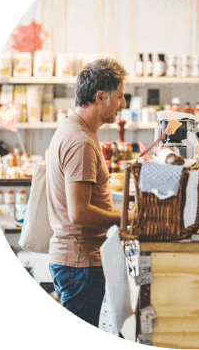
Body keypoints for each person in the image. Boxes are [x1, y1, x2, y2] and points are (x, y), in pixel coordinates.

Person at [46, 58, 132, 329]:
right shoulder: (80, 141)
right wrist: (126, 219)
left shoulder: (78, 129)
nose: (123, 104)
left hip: (78, 261)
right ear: (101, 97)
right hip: (79, 262)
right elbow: (79, 212)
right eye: (119, 97)